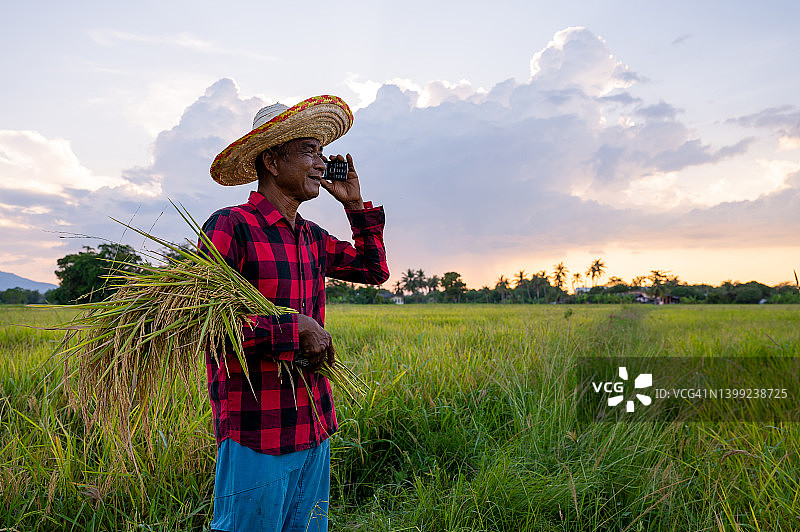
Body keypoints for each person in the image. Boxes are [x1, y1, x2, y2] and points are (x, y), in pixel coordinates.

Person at [202, 95, 389, 531]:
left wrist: (354, 205)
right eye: (309, 151)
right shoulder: (231, 226)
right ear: (272, 160)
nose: (321, 164)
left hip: (313, 421)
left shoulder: (312, 237)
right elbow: (208, 327)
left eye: (322, 153)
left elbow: (374, 270)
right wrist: (295, 327)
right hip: (258, 429)